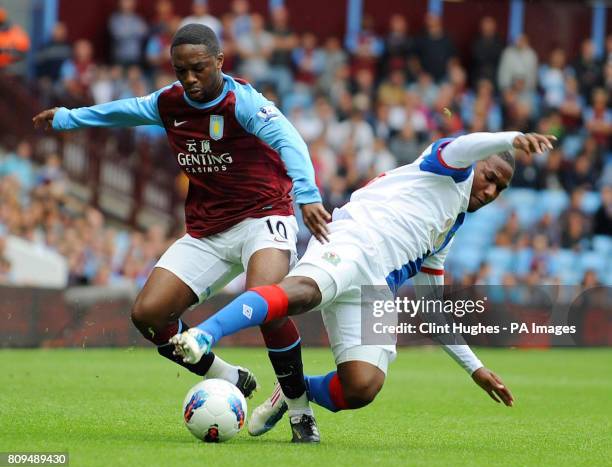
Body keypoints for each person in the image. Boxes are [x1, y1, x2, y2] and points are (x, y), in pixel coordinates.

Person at [33, 24, 330, 439]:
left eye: (199, 69)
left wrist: (308, 195)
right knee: (149, 315)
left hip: (264, 216)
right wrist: (68, 118)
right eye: (180, 70)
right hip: (208, 229)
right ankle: (228, 374)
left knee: (268, 302)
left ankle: (300, 411)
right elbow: (124, 110)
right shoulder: (170, 102)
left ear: (220, 63)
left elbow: (289, 139)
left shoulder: (240, 102)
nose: (190, 79)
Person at [170, 131, 557, 442]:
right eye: (490, 178)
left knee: (361, 388)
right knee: (302, 294)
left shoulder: (446, 233)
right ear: (478, 164)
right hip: (352, 241)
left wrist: (476, 368)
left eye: (500, 190)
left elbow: (432, 309)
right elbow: (463, 145)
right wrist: (510, 139)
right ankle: (205, 334)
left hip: (376, 288)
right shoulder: (450, 168)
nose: (490, 192)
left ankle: (292, 392)